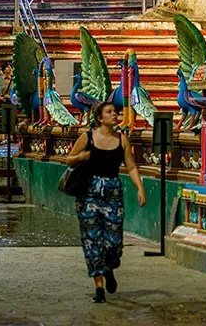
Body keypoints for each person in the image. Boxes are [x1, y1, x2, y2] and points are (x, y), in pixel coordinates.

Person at [64, 101, 147, 303]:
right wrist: (82, 156)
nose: (115, 114)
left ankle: (109, 268)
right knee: (91, 239)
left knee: (114, 242)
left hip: (112, 193)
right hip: (88, 193)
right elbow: (68, 159)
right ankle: (99, 287)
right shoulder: (88, 137)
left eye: (115, 112)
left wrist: (140, 187)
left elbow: (131, 166)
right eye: (109, 112)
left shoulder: (122, 139)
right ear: (100, 118)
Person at [0, 62, 14, 144]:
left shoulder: (13, 80)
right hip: (2, 102)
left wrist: (11, 96)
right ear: (4, 70)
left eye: (11, 67)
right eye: (8, 67)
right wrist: (0, 97)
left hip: (11, 101)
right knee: (2, 120)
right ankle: (3, 138)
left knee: (10, 120)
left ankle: (9, 137)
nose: (10, 68)